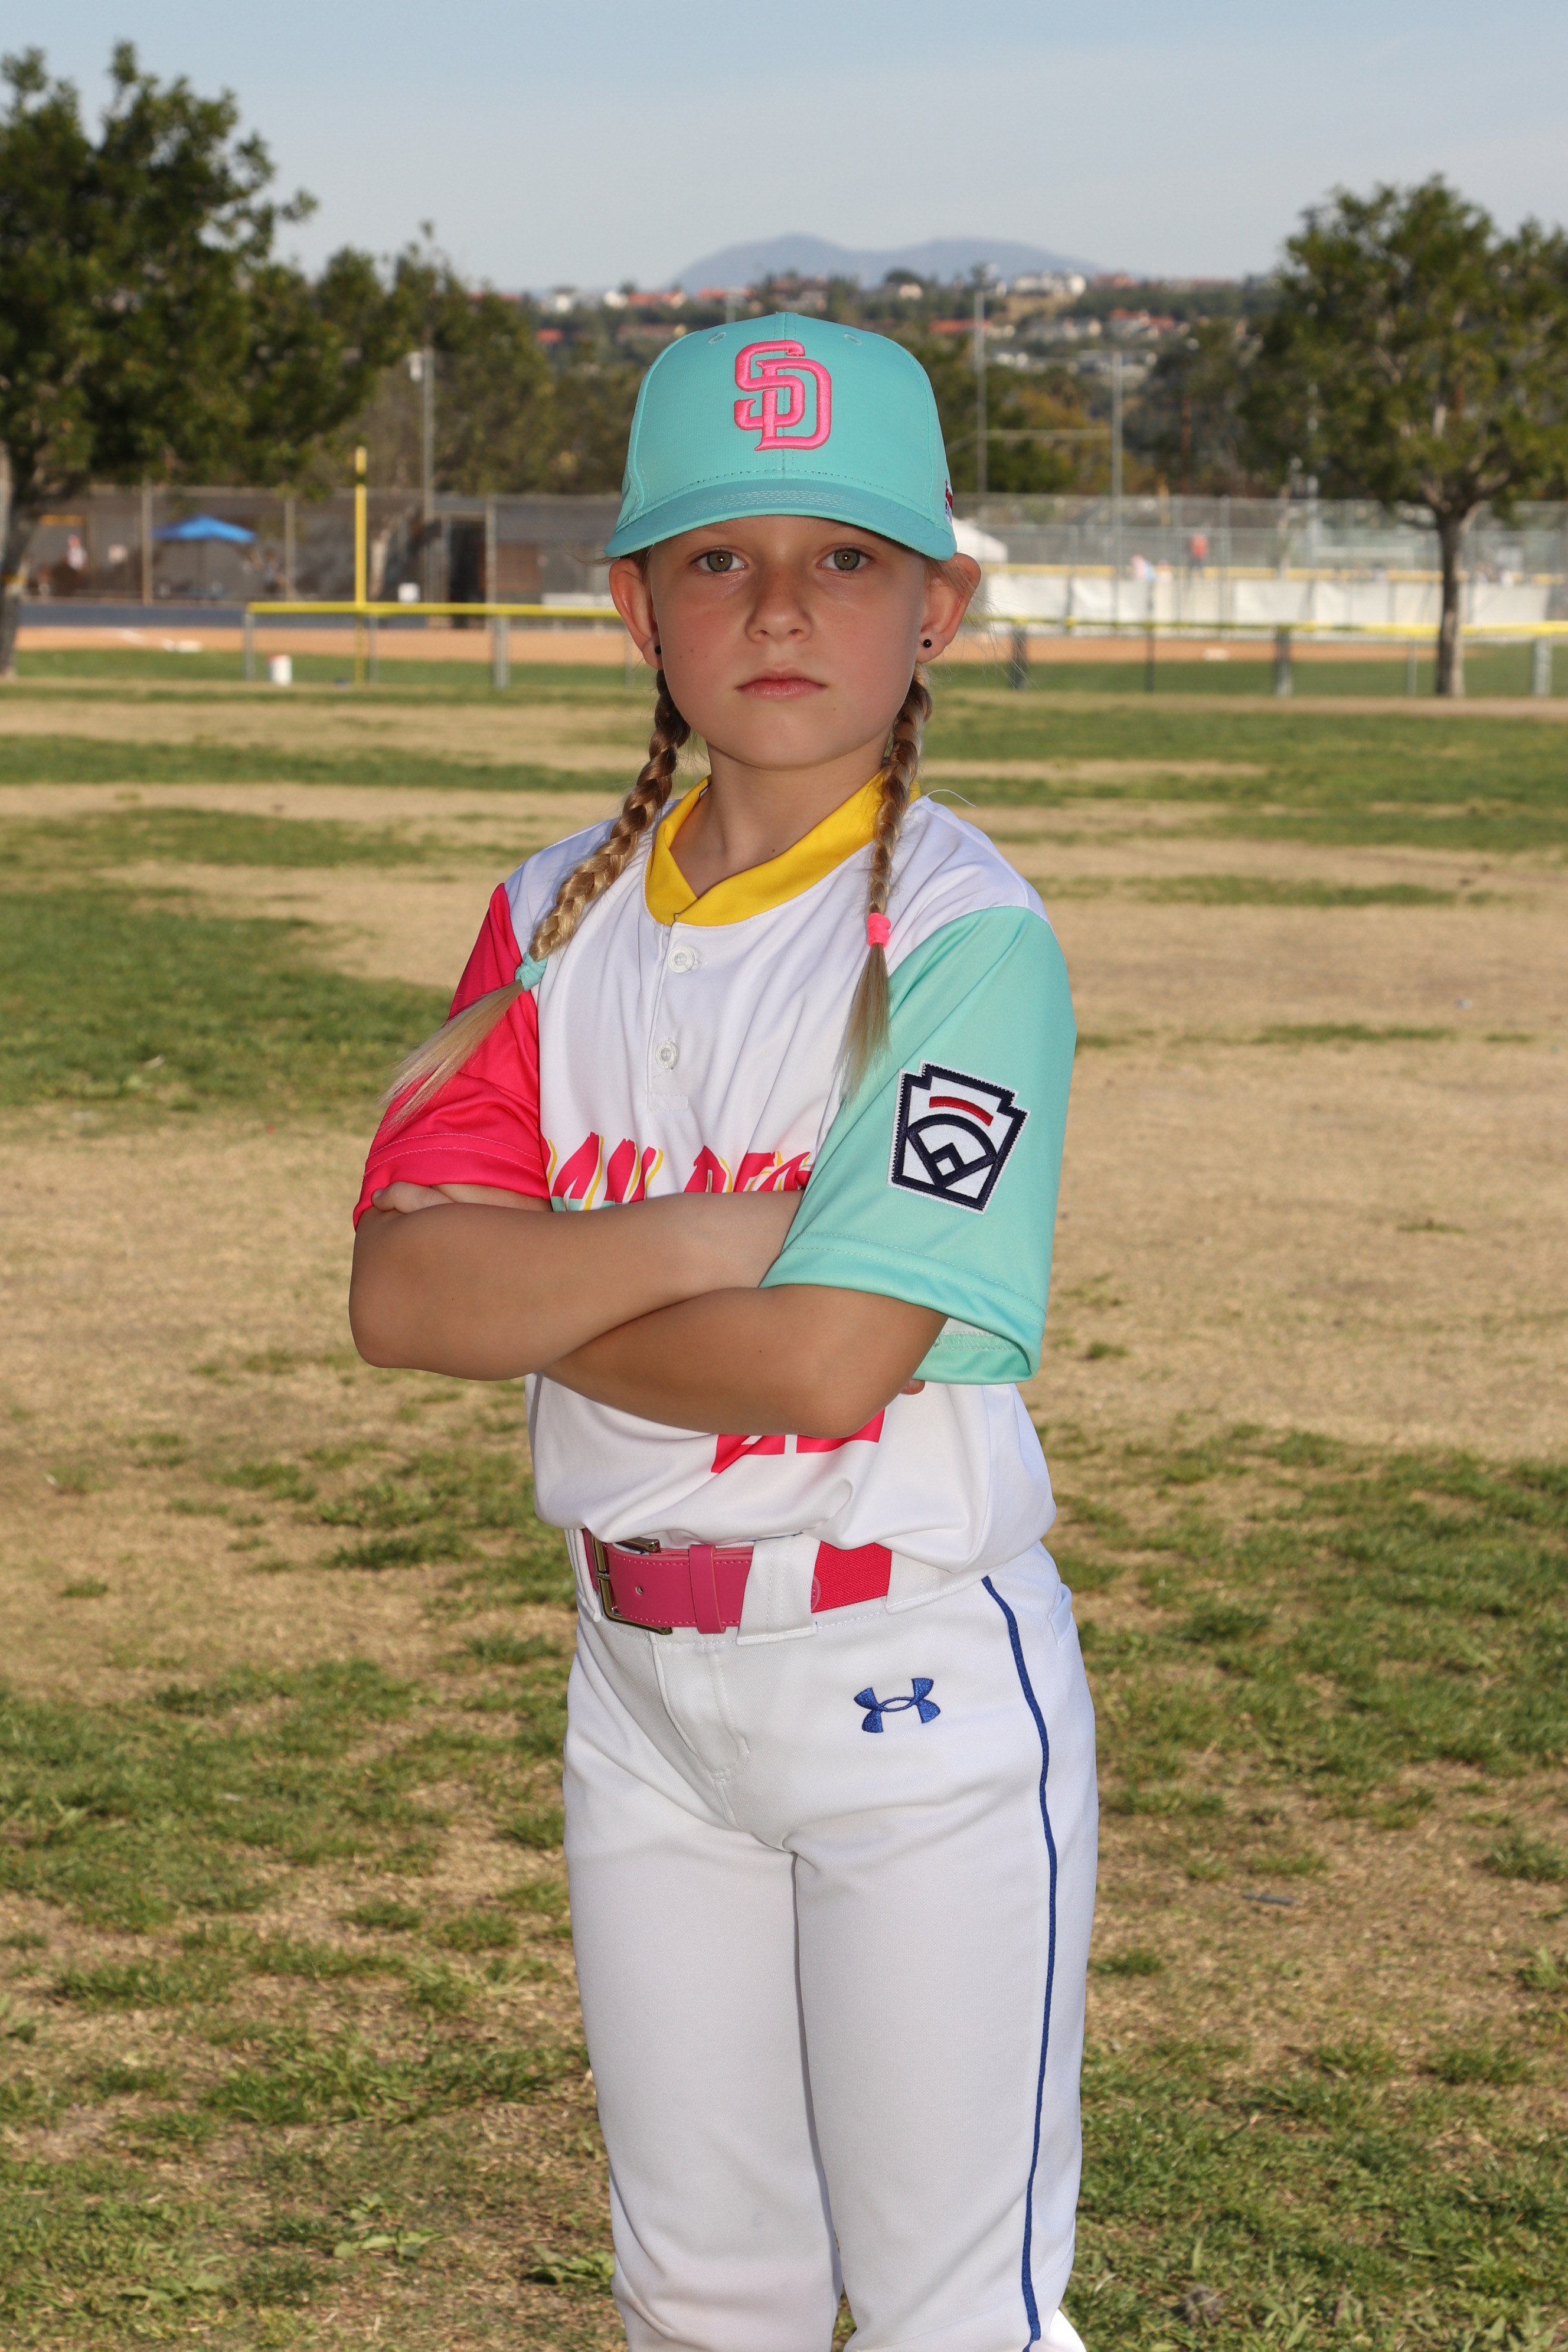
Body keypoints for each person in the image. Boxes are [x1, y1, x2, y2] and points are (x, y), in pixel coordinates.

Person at [349, 316, 1095, 2352]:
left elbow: (827, 1365)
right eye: (717, 558)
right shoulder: (549, 918)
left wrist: (550, 1288)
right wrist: (705, 1236)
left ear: (937, 608)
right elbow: (401, 1300)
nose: (779, 606)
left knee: (951, 2313)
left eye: (845, 557)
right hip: (639, 1687)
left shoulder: (965, 940)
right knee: (699, 2294)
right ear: (635, 608)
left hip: (911, 1689)